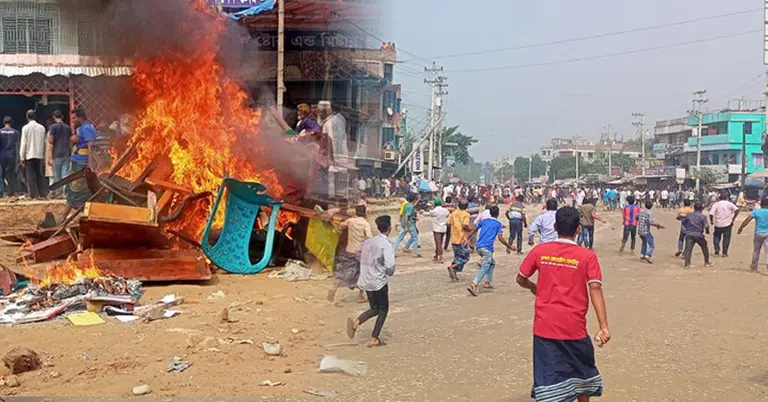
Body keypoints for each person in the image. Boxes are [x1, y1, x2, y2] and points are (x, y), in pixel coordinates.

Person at [516, 206, 610, 402]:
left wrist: (534, 287)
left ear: (556, 226)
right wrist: (603, 326)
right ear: (578, 229)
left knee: (550, 379)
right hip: (574, 327)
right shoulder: (587, 256)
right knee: (582, 374)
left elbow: (521, 278)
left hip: (545, 328)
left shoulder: (540, 251)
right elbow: (595, 289)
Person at [346, 215, 395, 347]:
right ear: (389, 229)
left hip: (366, 280)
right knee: (383, 309)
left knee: (375, 308)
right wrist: (385, 270)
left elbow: (357, 254)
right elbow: (390, 267)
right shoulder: (386, 244)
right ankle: (374, 338)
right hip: (378, 281)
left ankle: (357, 322)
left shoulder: (368, 242)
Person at [466, 206, 515, 296]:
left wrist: (466, 238)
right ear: (498, 214)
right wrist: (509, 246)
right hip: (487, 248)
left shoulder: (484, 221)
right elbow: (500, 238)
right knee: (485, 266)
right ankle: (474, 283)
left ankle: (487, 282)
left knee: (492, 263)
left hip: (479, 247)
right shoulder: (498, 224)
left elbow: (474, 229)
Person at [328, 204, 372, 304]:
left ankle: (334, 287)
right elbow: (369, 238)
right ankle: (360, 296)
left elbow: (339, 227)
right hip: (361, 252)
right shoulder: (365, 224)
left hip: (350, 250)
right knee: (364, 273)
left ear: (356, 212)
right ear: (365, 212)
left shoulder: (351, 221)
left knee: (345, 271)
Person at [60, 108, 97, 221]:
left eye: (74, 118)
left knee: (77, 190)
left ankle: (64, 217)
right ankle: (68, 216)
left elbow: (91, 146)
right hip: (77, 161)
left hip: (82, 164)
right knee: (74, 189)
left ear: (80, 117)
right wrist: (72, 140)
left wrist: (90, 165)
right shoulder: (81, 128)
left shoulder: (86, 128)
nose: (72, 120)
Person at [19, 110, 46, 199]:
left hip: (29, 154)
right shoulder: (42, 127)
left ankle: (32, 194)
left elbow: (24, 143)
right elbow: (44, 143)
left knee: (30, 175)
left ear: (27, 117)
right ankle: (42, 193)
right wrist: (43, 155)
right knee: (39, 174)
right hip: (39, 154)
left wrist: (22, 157)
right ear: (35, 116)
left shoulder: (25, 128)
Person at [737, 197, 768, 272]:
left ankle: (754, 267)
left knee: (756, 250)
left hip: (758, 233)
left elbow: (747, 220)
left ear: (760, 204)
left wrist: (741, 227)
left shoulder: (756, 212)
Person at [47, 110, 72, 197]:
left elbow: (51, 141)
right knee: (65, 174)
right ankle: (65, 193)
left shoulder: (53, 127)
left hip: (56, 153)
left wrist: (49, 157)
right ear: (62, 117)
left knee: (57, 174)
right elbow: (71, 141)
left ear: (54, 117)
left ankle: (59, 192)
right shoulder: (68, 127)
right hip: (66, 153)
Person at [446, 200, 472, 281]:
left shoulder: (453, 213)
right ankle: (453, 267)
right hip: (462, 238)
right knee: (466, 257)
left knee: (457, 256)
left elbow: (448, 223)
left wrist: (454, 228)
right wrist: (470, 229)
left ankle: (454, 272)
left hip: (454, 238)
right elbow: (465, 225)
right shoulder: (466, 214)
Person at [682, 202, 713, 269]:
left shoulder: (689, 215)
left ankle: (687, 264)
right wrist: (707, 231)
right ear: (701, 209)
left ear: (694, 208)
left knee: (688, 249)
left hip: (689, 234)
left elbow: (683, 222)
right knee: (704, 247)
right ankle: (706, 262)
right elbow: (706, 226)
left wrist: (686, 229)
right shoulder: (703, 217)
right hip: (699, 235)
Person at [709, 192, 739, 258]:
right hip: (727, 224)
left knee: (716, 236)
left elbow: (711, 214)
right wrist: (733, 218)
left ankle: (717, 248)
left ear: (719, 198)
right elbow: (737, 210)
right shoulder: (729, 204)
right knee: (726, 238)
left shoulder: (716, 204)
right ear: (726, 197)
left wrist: (711, 221)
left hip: (718, 224)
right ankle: (724, 253)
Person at [422, 198, 450, 263]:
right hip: (443, 228)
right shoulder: (445, 210)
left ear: (435, 204)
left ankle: (440, 256)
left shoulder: (434, 211)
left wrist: (422, 212)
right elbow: (448, 214)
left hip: (437, 229)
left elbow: (426, 214)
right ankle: (436, 255)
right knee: (440, 242)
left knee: (438, 243)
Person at [0, 116, 20, 197]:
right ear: (11, 123)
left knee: (1, 174)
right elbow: (17, 145)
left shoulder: (0, 132)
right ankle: (10, 193)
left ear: (3, 122)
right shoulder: (16, 132)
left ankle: (1, 192)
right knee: (11, 174)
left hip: (2, 156)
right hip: (12, 155)